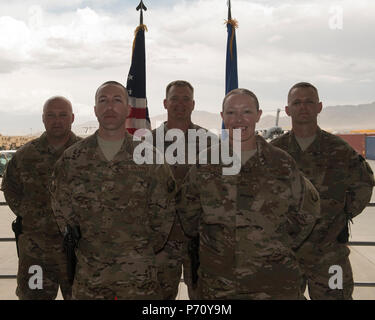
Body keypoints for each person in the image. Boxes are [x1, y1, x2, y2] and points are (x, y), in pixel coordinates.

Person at [179, 88, 320, 299]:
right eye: (231, 112)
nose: (238, 120)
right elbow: (187, 217)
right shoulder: (205, 164)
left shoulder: (281, 163)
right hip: (219, 284)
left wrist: (272, 244)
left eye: (246, 112)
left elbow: (306, 213)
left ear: (258, 115)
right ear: (222, 116)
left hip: (274, 283)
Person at [50, 81, 175, 299]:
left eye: (117, 100)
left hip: (138, 279)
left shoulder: (150, 158)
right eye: (103, 101)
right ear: (95, 109)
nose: (110, 107)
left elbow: (164, 215)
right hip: (90, 276)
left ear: (127, 109)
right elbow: (62, 214)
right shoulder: (72, 159)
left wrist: (136, 251)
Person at [271, 82, 375, 299]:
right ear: (288, 110)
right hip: (286, 253)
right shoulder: (275, 152)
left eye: (309, 102)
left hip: (329, 255)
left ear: (319, 107)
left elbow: (364, 184)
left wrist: (339, 215)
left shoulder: (340, 149)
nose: (303, 107)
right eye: (297, 103)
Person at [1, 96, 80, 300]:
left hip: (78, 251)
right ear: (43, 119)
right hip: (37, 251)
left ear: (72, 118)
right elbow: (9, 187)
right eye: (51, 115)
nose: (57, 120)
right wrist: (29, 214)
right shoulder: (25, 155)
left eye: (62, 115)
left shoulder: (85, 153)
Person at [152, 80, 214, 300]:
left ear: (193, 104)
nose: (180, 104)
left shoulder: (210, 143)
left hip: (199, 240)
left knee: (204, 298)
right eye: (174, 99)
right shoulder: (146, 144)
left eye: (186, 99)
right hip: (160, 242)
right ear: (165, 103)